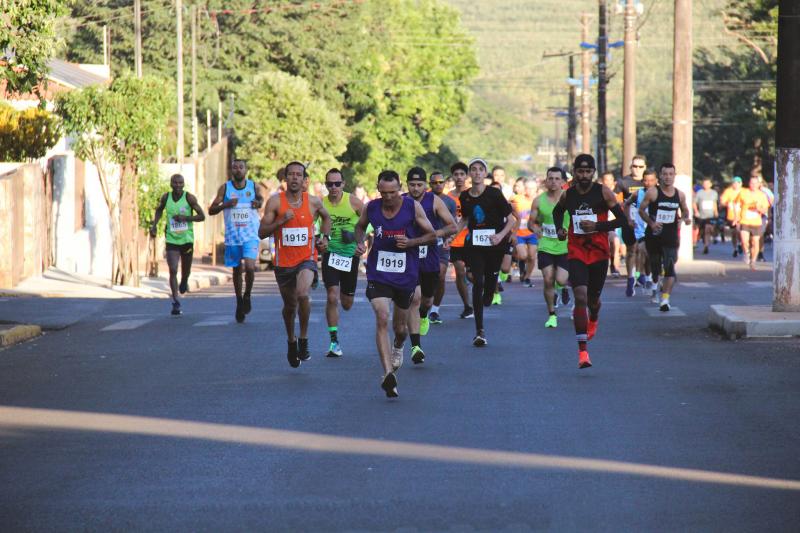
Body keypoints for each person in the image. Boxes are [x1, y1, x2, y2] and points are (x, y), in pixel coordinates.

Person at [354, 170, 436, 398]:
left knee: (400, 329)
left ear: (400, 187)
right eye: (383, 192)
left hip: (405, 275)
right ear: (378, 189)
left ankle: (399, 346)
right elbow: (360, 227)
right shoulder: (371, 207)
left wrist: (411, 241)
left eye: (392, 192)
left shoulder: (412, 207)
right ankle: (389, 374)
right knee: (381, 316)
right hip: (378, 273)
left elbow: (431, 235)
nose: (388, 197)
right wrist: (360, 243)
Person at [552, 154, 635, 368]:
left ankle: (595, 316)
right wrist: (560, 229)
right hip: (576, 250)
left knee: (592, 300)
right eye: (580, 171)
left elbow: (622, 220)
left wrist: (597, 227)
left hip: (599, 252)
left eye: (588, 171)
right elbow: (557, 211)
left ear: (593, 173)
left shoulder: (603, 192)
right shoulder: (567, 194)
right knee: (580, 296)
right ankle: (582, 353)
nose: (584, 175)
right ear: (575, 171)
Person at [259, 161, 331, 367]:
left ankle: (304, 339)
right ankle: (291, 341)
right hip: (283, 263)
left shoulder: (314, 202)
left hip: (306, 259)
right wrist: (281, 222)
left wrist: (324, 238)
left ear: (304, 179)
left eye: (299, 175)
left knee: (303, 294)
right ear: (285, 178)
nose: (294, 178)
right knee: (290, 306)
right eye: (291, 174)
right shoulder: (275, 202)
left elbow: (327, 219)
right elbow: (261, 232)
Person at [458, 158, 516, 346]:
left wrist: (500, 236)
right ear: (470, 174)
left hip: (495, 243)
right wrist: (452, 236)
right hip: (475, 243)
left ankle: (491, 290)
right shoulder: (465, 196)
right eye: (473, 169)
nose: (476, 173)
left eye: (480, 170)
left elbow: (511, 220)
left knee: (490, 280)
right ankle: (479, 331)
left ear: (485, 173)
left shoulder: (494, 194)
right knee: (478, 281)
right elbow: (465, 220)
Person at [404, 167, 457, 363]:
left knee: (426, 301)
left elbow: (453, 226)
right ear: (406, 184)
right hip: (408, 255)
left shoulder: (434, 201)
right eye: (412, 185)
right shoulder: (401, 200)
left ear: (425, 185)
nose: (416, 188)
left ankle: (425, 315)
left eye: (419, 185)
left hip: (430, 256)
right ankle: (416, 346)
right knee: (414, 298)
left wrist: (436, 235)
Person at [209, 159, 264, 323]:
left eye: (241, 167)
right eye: (235, 167)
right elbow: (211, 210)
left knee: (250, 267)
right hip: (233, 236)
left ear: (246, 170)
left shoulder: (254, 186)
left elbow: (261, 201)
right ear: (231, 170)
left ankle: (247, 295)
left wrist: (257, 203)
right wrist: (225, 204)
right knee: (236, 270)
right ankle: (239, 300)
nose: (238, 170)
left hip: (250, 235)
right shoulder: (225, 188)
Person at [320, 168, 363, 358]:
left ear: (343, 184)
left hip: (350, 255)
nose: (334, 187)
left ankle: (335, 337)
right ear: (326, 185)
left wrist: (359, 239)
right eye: (330, 184)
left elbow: (368, 222)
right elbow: (314, 225)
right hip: (331, 253)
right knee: (331, 296)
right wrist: (320, 239)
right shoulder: (321, 204)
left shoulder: (353, 201)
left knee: (346, 303)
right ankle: (334, 341)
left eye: (337, 183)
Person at [638, 163, 692, 312]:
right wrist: (651, 223)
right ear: (660, 176)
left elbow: (685, 210)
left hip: (671, 236)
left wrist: (685, 218)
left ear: (674, 176)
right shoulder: (653, 192)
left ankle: (665, 299)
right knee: (655, 267)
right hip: (654, 236)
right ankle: (655, 280)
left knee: (670, 267)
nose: (668, 177)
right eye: (665, 174)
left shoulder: (679, 194)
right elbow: (641, 210)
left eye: (671, 174)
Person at [150, 173, 206, 316]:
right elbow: (159, 210)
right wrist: (154, 225)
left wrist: (185, 218)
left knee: (185, 270)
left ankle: (185, 280)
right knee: (173, 269)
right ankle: (175, 301)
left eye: (180, 183)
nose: (178, 185)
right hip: (171, 239)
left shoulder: (189, 198)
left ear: (184, 184)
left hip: (187, 240)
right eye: (175, 183)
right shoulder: (166, 197)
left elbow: (202, 216)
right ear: (171, 184)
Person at [528, 167, 570, 328]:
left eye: (557, 179)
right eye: (550, 178)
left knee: (561, 279)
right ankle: (552, 314)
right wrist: (535, 229)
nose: (553, 182)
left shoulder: (569, 199)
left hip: (565, 245)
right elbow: (531, 222)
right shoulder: (538, 200)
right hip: (546, 244)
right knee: (547, 279)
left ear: (563, 182)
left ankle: (564, 288)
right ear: (546, 181)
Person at [428, 170, 458, 325]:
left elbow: (454, 225)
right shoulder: (424, 199)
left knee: (440, 275)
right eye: (434, 182)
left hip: (441, 245)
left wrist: (450, 239)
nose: (438, 185)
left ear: (445, 183)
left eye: (441, 182)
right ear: (430, 184)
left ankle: (434, 309)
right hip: (424, 244)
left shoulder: (450, 202)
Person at [625, 168, 658, 301]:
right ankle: (643, 277)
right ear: (642, 181)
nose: (648, 183)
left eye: (651, 180)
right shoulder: (638, 193)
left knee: (650, 256)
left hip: (655, 228)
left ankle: (648, 277)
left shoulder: (659, 194)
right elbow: (626, 205)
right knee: (642, 250)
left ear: (656, 181)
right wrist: (629, 219)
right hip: (641, 229)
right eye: (645, 180)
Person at [447, 162, 474, 319]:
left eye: (462, 174)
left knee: (471, 276)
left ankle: (478, 293)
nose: (459, 178)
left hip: (471, 239)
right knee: (459, 271)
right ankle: (467, 305)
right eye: (456, 175)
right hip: (455, 240)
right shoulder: (447, 197)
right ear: (452, 177)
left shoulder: (472, 194)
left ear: (466, 176)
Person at [618, 155, 647, 295]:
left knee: (642, 250)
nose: (637, 169)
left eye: (640, 166)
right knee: (631, 250)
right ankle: (630, 279)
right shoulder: (623, 182)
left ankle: (641, 274)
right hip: (629, 220)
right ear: (631, 167)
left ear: (645, 167)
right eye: (635, 166)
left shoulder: (649, 182)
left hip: (645, 221)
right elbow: (616, 201)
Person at [734, 175, 770, 270]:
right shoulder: (743, 193)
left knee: (755, 242)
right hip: (745, 220)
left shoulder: (762, 195)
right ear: (749, 183)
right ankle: (746, 253)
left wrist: (759, 209)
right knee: (744, 241)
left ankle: (753, 261)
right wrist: (736, 217)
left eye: (755, 183)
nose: (753, 185)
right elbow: (737, 205)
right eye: (751, 183)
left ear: (758, 184)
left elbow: (765, 209)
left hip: (756, 222)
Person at [510, 177, 538, 287]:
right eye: (528, 188)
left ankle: (527, 277)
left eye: (533, 189)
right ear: (524, 189)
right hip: (519, 233)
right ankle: (520, 264)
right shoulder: (516, 199)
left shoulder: (538, 200)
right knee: (523, 256)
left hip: (532, 232)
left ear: (536, 190)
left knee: (531, 256)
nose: (530, 191)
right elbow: (505, 207)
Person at [601, 172, 625, 278]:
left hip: (611, 226)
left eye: (610, 180)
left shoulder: (617, 196)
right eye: (606, 180)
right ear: (602, 182)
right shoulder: (597, 195)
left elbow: (622, 211)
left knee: (615, 241)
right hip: (598, 226)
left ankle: (615, 267)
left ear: (613, 182)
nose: (608, 182)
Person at [693, 177, 719, 255]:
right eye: (704, 183)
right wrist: (696, 211)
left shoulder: (714, 193)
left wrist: (716, 212)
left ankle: (707, 244)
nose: (706, 185)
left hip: (710, 215)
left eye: (707, 183)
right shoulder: (699, 192)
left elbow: (714, 203)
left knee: (708, 229)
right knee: (702, 231)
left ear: (710, 184)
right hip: (701, 215)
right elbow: (694, 203)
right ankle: (703, 245)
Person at [720, 177, 743, 257]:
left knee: (739, 230)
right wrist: (728, 204)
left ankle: (740, 243)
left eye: (738, 183)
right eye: (734, 183)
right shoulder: (728, 191)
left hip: (742, 216)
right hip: (731, 216)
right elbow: (722, 202)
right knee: (734, 233)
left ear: (741, 183)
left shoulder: (744, 191)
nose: (736, 184)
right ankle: (735, 248)